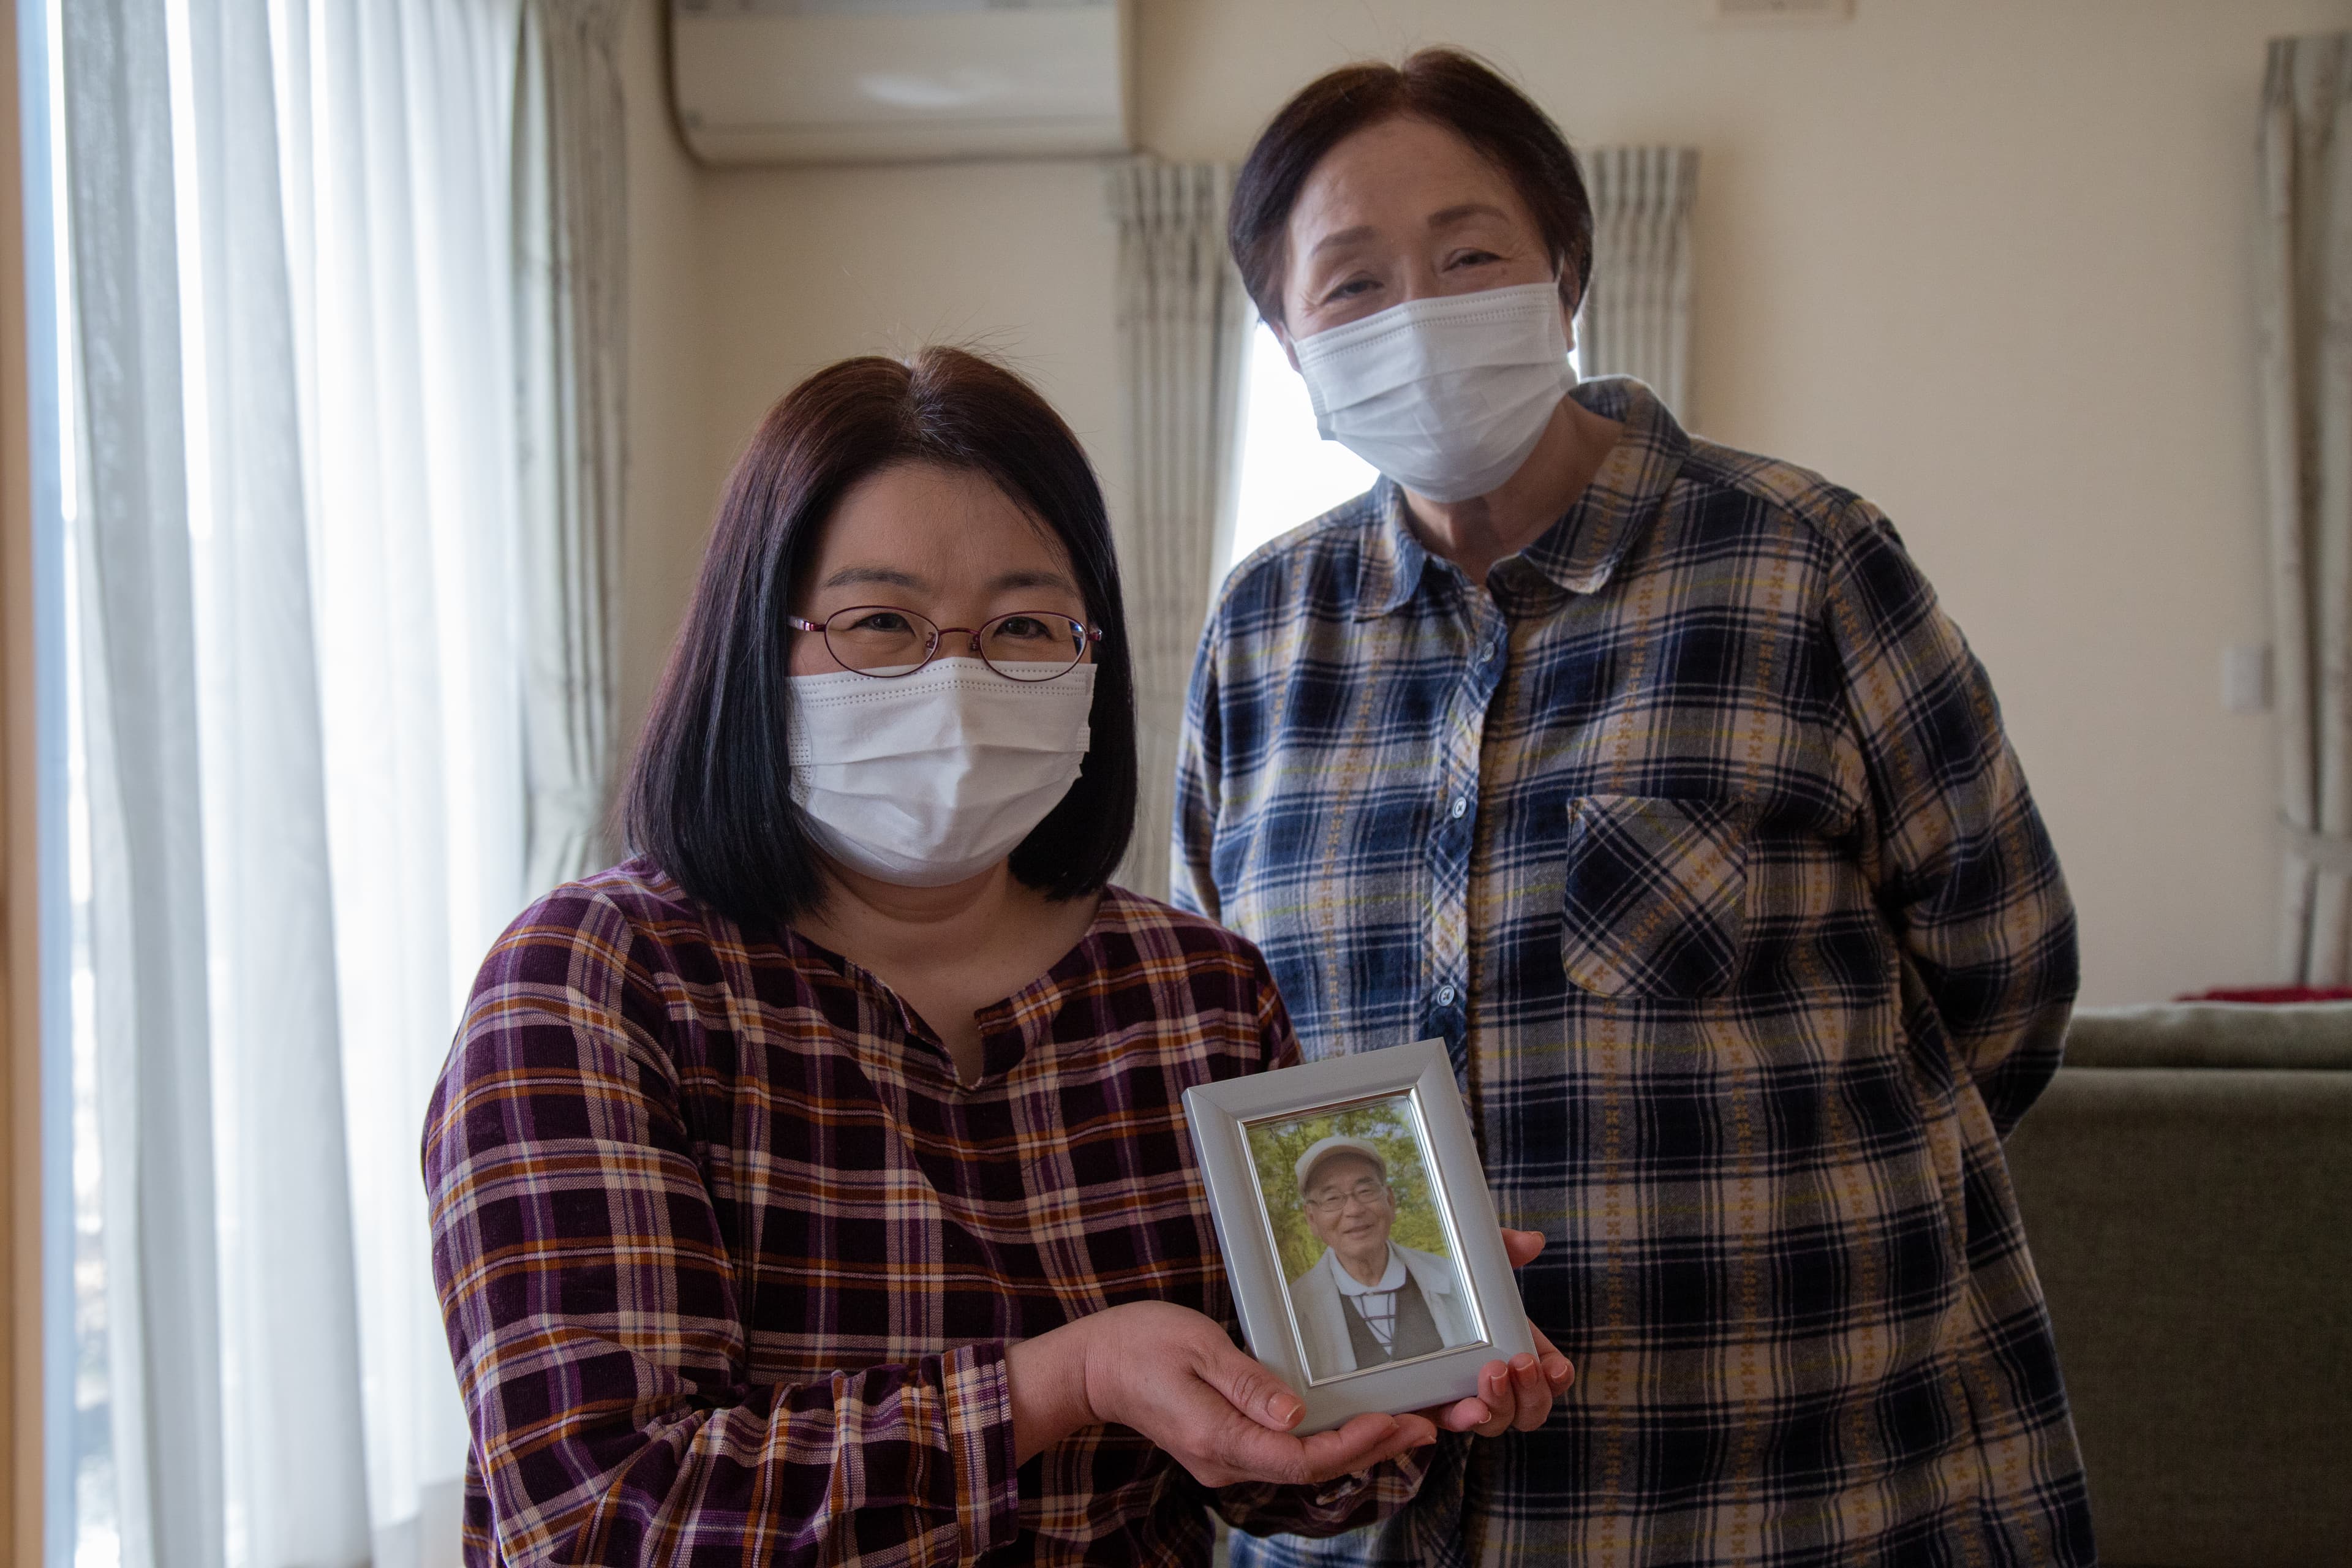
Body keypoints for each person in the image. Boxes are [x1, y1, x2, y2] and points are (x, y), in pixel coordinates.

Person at [422, 347, 1572, 1567]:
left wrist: (1406, 1375)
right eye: (880, 622)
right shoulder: (597, 983)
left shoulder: (1193, 989)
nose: (959, 681)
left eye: (1025, 626)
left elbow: (1273, 1463)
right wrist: (1066, 1379)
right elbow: (602, 1516)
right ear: (756, 647)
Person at [1175, 51, 2094, 1568]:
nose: (1412, 313)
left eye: (1467, 255)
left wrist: (1768, 1216)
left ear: (1566, 273)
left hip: (1798, 1489)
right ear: (1285, 339)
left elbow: (2004, 980)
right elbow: (1230, 1036)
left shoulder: (1801, 560)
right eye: (1348, 284)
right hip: (1377, 1512)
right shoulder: (1260, 631)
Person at [1286, 1137, 1476, 1379]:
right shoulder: (1291, 1310)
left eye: (1365, 1191)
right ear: (1312, 1219)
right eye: (1332, 1198)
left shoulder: (1458, 1279)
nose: (1354, 1210)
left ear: (1390, 1200)